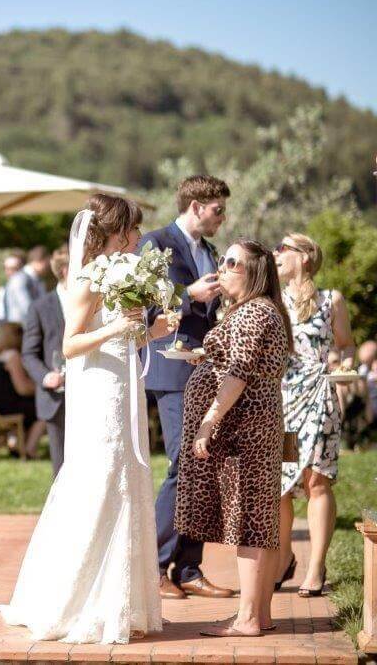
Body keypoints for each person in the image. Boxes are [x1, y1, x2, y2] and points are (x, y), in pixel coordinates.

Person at [0, 193, 176, 644]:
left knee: (129, 476)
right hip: (98, 389)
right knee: (100, 478)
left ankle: (120, 601)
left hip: (124, 383)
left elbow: (123, 339)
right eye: (132, 230)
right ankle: (78, 601)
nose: (138, 238)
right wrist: (120, 326)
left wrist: (149, 331)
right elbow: (71, 346)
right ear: (114, 233)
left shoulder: (123, 273)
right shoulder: (88, 277)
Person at [176, 239, 293, 637]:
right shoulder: (258, 311)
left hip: (245, 430)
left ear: (254, 271)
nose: (221, 267)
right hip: (256, 425)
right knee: (259, 522)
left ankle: (246, 619)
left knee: (249, 523)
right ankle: (258, 615)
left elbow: (239, 372)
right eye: (222, 260)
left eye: (231, 262)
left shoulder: (253, 312)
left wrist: (209, 421)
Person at [139, 174, 234, 601]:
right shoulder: (156, 243)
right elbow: (141, 302)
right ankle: (155, 566)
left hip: (207, 367)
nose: (222, 217)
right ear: (196, 206)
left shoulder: (211, 251)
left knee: (206, 462)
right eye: (218, 210)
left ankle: (189, 567)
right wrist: (188, 295)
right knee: (184, 462)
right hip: (170, 368)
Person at [273, 233, 354, 597]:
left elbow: (345, 345)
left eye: (282, 248)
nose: (275, 254)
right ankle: (284, 555)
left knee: (317, 481)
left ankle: (316, 566)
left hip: (320, 400)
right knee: (283, 486)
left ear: (304, 257)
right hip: (284, 404)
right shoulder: (272, 300)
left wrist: (345, 367)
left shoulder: (331, 300)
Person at [20, 245, 69, 475]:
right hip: (56, 396)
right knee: (60, 466)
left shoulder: (96, 303)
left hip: (91, 392)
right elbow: (29, 353)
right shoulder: (39, 307)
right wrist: (44, 375)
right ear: (66, 270)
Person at [0, 323, 37, 448]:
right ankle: (29, 448)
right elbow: (23, 388)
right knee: (46, 408)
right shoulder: (12, 356)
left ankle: (17, 443)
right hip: (9, 408)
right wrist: (42, 388)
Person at [0, 253, 23, 325]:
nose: (10, 272)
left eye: (14, 269)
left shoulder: (30, 285)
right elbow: (1, 317)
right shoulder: (3, 290)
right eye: (7, 268)